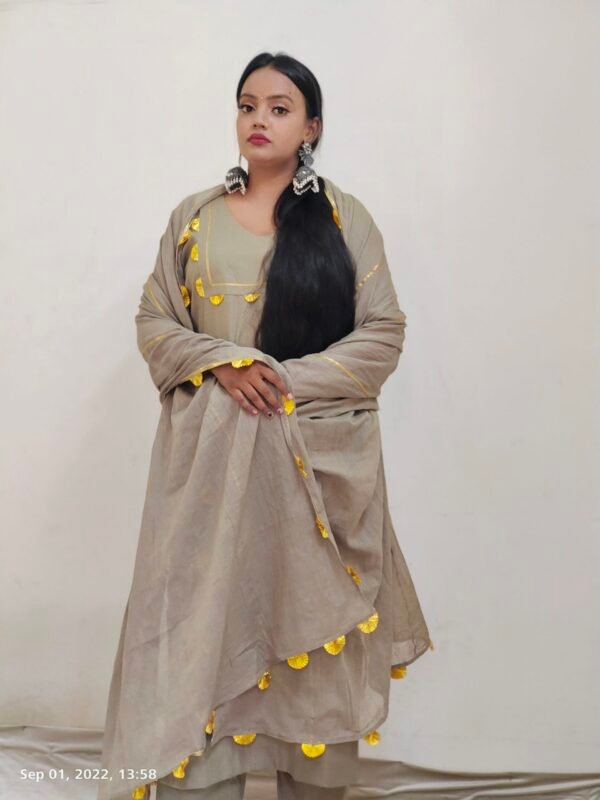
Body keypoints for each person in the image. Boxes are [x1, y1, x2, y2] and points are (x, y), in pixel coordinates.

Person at [96, 52, 432, 800]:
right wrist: (222, 363)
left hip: (317, 483)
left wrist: (276, 382)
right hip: (211, 482)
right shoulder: (194, 218)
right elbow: (155, 322)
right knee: (201, 629)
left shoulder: (343, 220)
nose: (259, 120)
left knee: (312, 635)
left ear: (311, 127)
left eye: (280, 108)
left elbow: (382, 336)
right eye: (248, 105)